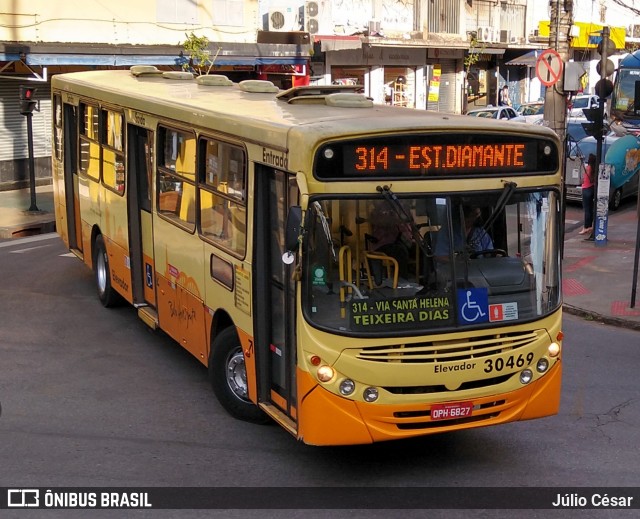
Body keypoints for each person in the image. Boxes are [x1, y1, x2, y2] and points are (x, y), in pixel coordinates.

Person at [368, 201, 413, 284]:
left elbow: (409, 224)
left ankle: (424, 281)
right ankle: (402, 281)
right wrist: (396, 217)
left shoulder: (399, 211)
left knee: (421, 251)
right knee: (400, 252)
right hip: (382, 244)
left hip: (402, 241)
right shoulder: (375, 214)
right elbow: (384, 222)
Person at [579, 153, 596, 235]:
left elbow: (583, 179)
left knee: (586, 209)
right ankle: (590, 226)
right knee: (591, 208)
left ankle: (586, 227)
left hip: (586, 189)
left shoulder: (587, 168)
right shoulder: (595, 169)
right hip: (592, 188)